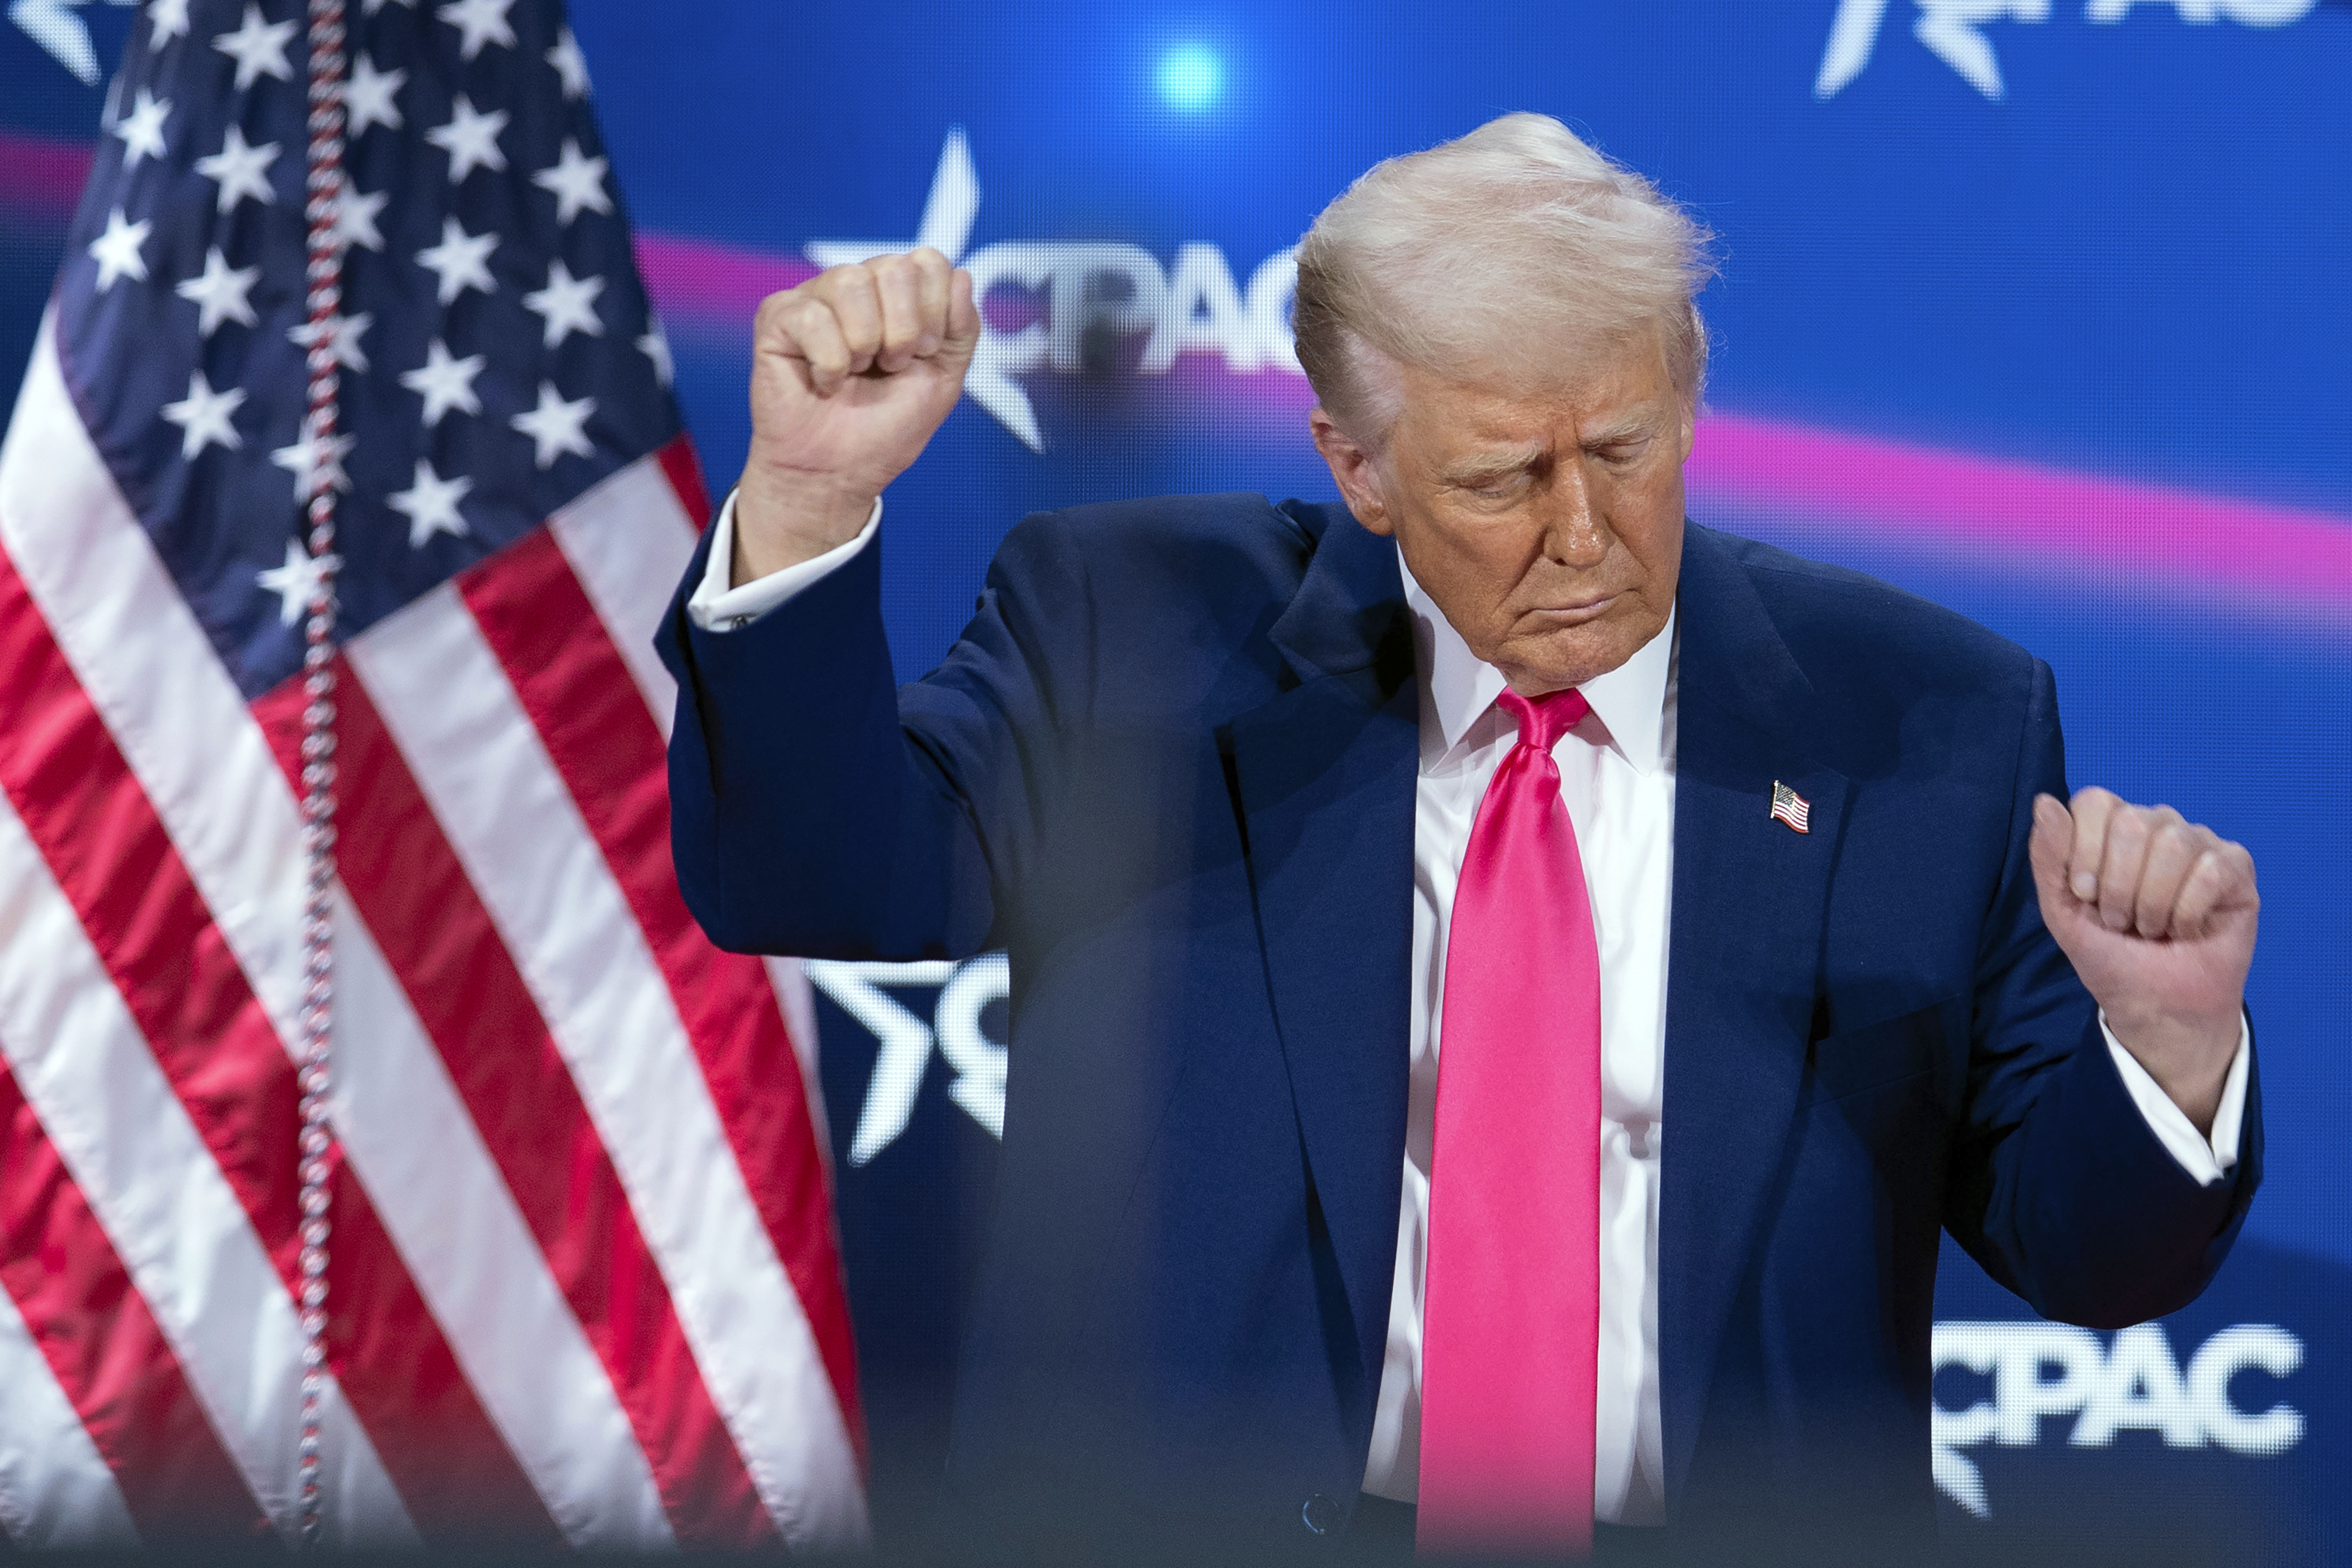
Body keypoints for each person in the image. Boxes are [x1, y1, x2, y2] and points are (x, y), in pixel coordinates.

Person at [655, 114, 2259, 1558]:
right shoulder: (1129, 632)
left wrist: (2170, 1044)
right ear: (1358, 466)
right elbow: (817, 872)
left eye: (1626, 449)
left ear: (1688, 376)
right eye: (1502, 477)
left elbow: (2096, 1258)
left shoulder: (1928, 719)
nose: (1582, 532)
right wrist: (801, 503)